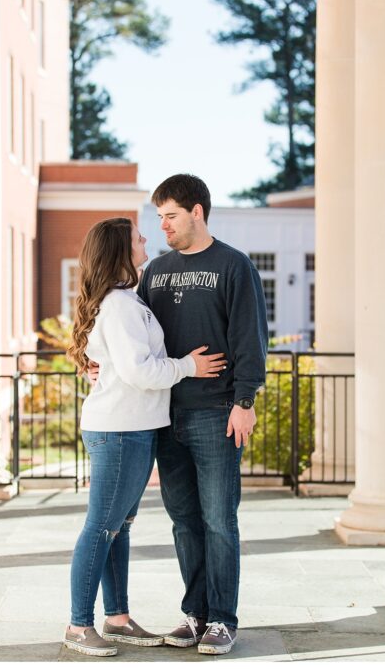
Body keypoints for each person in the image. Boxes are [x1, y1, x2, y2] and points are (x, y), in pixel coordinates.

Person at [64, 217, 225, 657]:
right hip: (119, 431)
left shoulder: (125, 300)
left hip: (132, 428)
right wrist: (188, 366)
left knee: (119, 528)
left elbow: (118, 362)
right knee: (101, 528)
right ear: (121, 249)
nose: (146, 241)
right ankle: (79, 625)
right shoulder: (119, 306)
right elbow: (139, 371)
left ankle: (116, 618)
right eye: (138, 237)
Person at [136, 174, 268, 655]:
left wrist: (245, 401)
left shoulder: (234, 265)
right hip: (165, 415)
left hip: (217, 412)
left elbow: (250, 337)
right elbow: (137, 336)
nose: (163, 226)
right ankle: (194, 615)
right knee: (183, 521)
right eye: (159, 218)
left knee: (218, 520)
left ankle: (223, 620)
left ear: (197, 211)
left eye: (170, 216)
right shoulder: (154, 271)